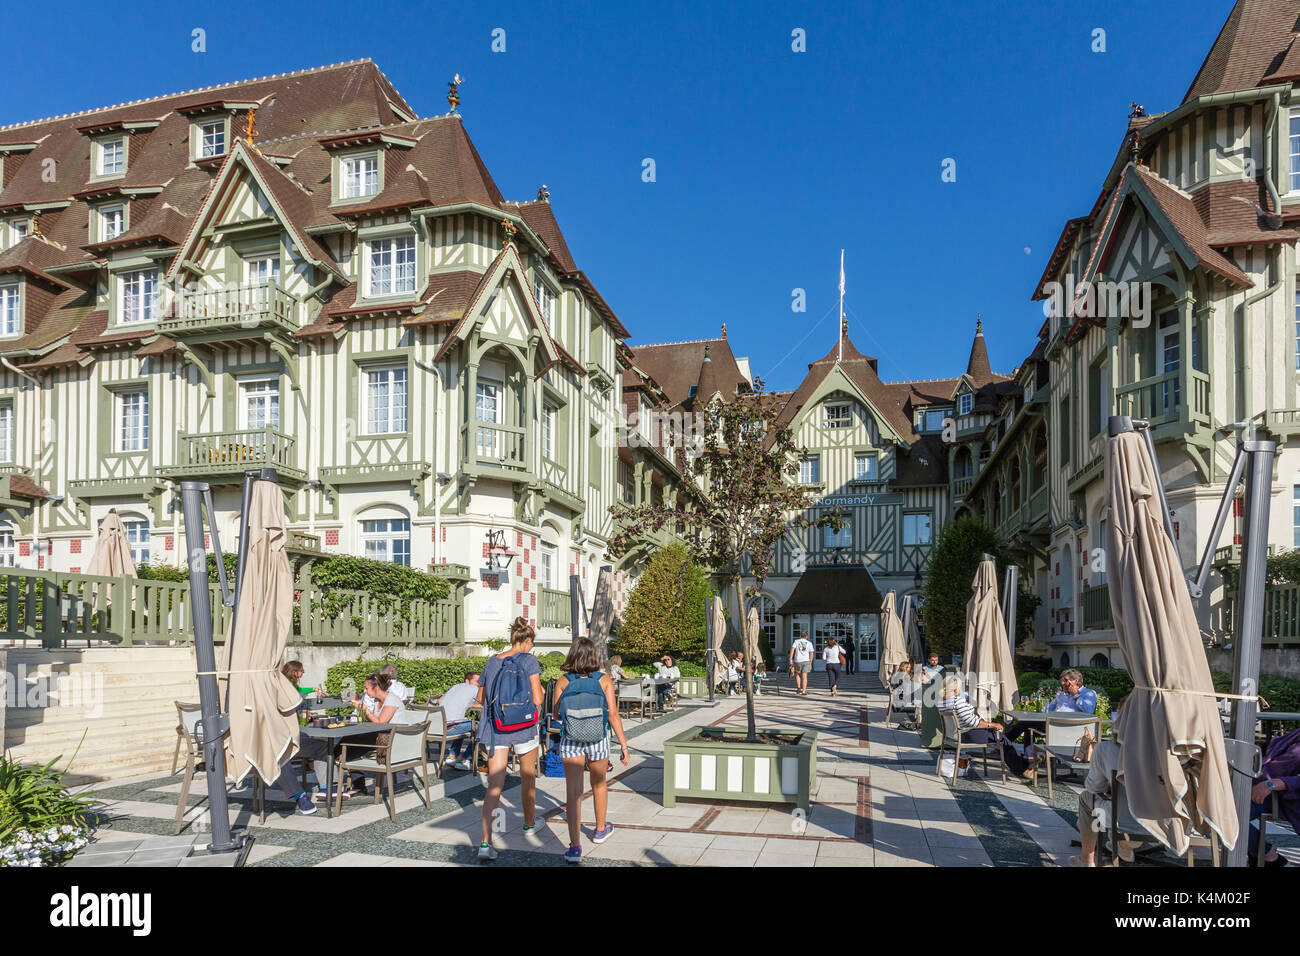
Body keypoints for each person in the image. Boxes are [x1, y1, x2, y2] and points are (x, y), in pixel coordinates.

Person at [553, 637, 630, 864]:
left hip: (571, 740)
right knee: (599, 783)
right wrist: (624, 745)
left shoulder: (563, 681)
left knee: (573, 791)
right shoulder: (604, 680)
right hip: (598, 739)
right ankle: (599, 830)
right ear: (594, 656)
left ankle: (575, 847)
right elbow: (613, 715)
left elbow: (557, 715)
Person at [475, 617, 544, 862]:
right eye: (531, 644)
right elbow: (537, 699)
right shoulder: (529, 660)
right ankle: (528, 824)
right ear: (526, 641)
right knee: (528, 777)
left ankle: (485, 842)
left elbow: (480, 696)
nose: (531, 648)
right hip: (523, 727)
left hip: (496, 729)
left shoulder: (492, 661)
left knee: (494, 784)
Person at [937, 675, 1030, 779]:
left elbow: (968, 720)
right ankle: (1022, 769)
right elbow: (972, 722)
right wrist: (991, 724)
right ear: (956, 689)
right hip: (967, 734)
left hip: (955, 735)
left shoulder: (941, 702)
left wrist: (985, 724)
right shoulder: (957, 701)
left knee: (998, 736)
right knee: (1001, 739)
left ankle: (1021, 763)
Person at [1002, 669, 1098, 748]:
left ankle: (1003, 743)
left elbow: (1089, 712)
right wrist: (1034, 713)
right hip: (1054, 725)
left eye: (1065, 680)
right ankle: (1029, 758)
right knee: (1027, 724)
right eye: (1062, 680)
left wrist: (1076, 694)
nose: (1062, 683)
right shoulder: (1062, 694)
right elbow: (1048, 709)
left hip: (1073, 728)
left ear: (1076, 681)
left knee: (1025, 724)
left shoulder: (1089, 693)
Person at [1247, 726, 1300, 867]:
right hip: (1260, 789)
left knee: (1230, 815)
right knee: (1221, 810)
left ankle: (1268, 856)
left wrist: (1278, 783)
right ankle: (1265, 855)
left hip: (1284, 798)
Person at [437, 672, 481, 770]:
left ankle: (452, 756)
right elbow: (483, 703)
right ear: (467, 681)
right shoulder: (475, 689)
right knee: (482, 727)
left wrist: (468, 705)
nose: (479, 683)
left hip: (437, 727)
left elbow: (439, 701)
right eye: (476, 681)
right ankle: (463, 760)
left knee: (462, 721)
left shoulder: (455, 686)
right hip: (450, 727)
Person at [789, 630, 814, 696]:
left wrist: (790, 659)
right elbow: (811, 652)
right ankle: (803, 691)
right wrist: (811, 661)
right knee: (804, 676)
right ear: (806, 636)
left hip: (797, 660)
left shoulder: (796, 641)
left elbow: (792, 649)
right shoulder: (809, 643)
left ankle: (798, 688)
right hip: (806, 661)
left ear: (801, 635)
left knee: (798, 674)